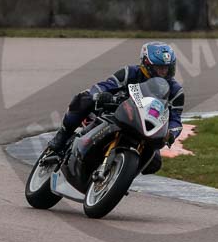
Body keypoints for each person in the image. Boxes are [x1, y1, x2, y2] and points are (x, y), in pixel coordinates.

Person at [47, 42, 184, 174]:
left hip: (146, 126)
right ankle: (62, 136)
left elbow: (176, 119)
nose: (163, 72)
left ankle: (120, 175)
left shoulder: (176, 91)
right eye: (159, 67)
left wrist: (171, 133)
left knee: (154, 163)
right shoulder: (129, 72)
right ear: (146, 64)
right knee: (84, 98)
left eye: (167, 67)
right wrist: (100, 95)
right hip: (118, 112)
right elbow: (104, 85)